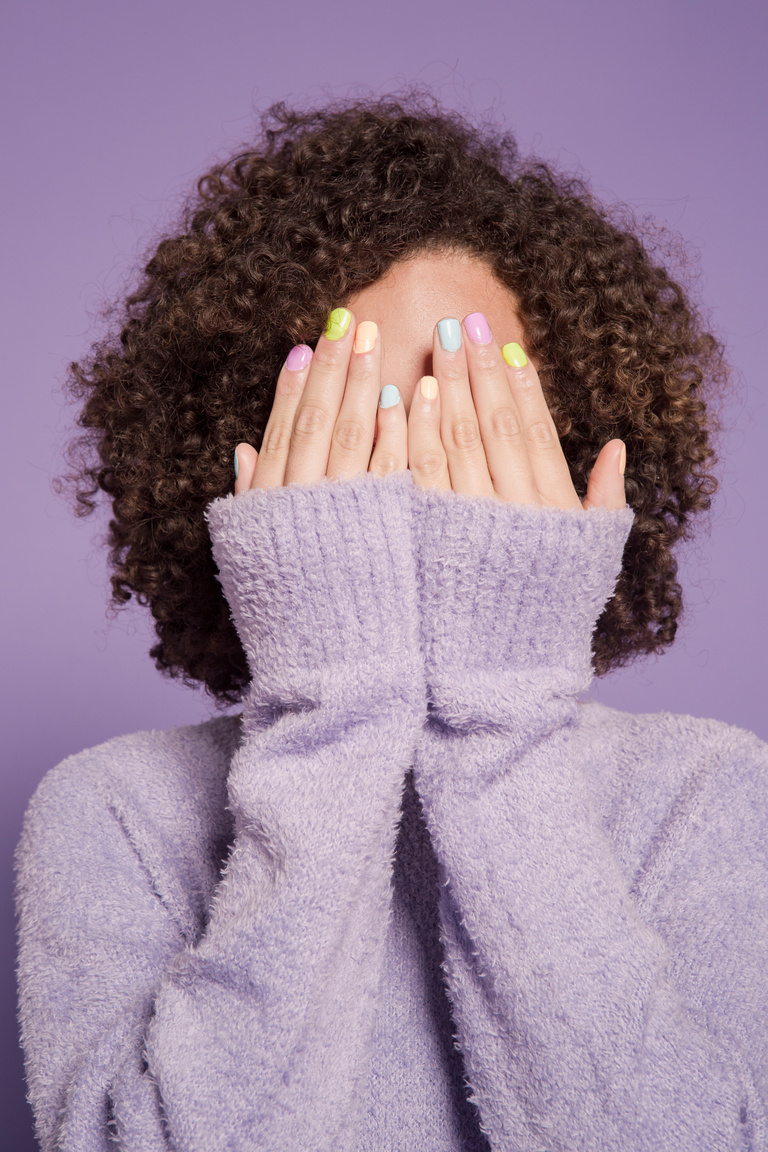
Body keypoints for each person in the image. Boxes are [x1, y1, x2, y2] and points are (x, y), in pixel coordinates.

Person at [15, 93, 768, 1152]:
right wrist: (330, 708)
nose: (420, 460)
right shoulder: (113, 812)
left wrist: (499, 718)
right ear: (259, 453)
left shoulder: (707, 795)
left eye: (475, 408)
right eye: (360, 406)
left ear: (576, 459)